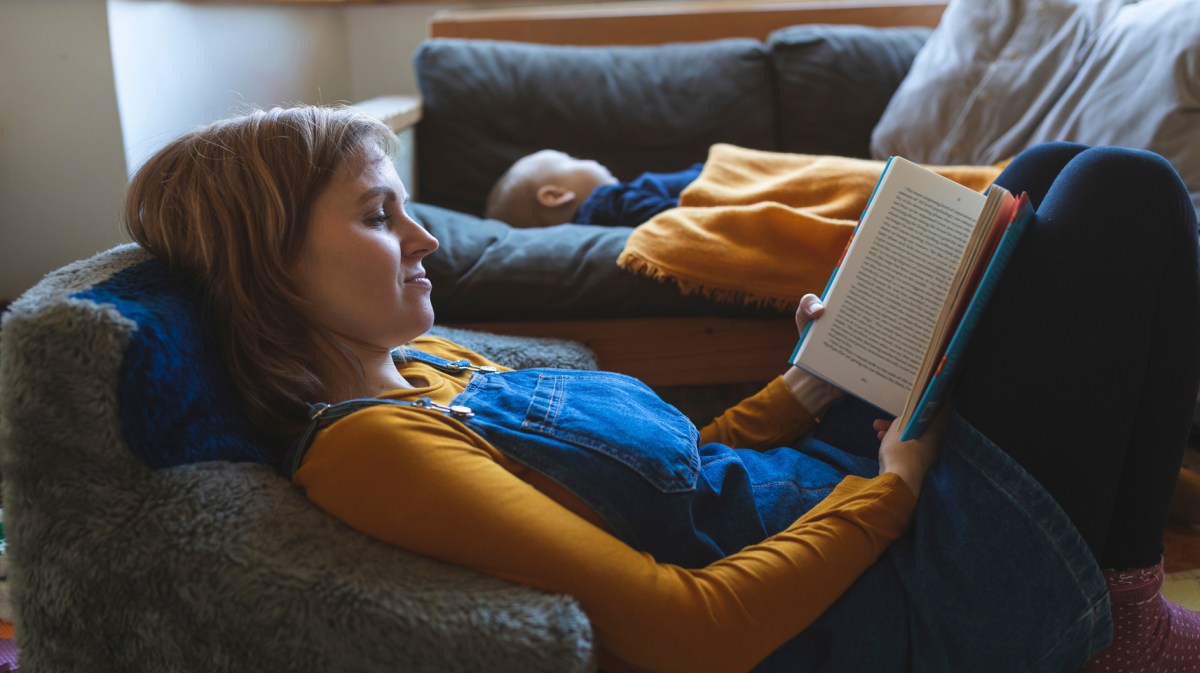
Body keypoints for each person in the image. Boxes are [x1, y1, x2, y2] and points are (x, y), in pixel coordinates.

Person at [123, 105, 1200, 673]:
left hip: (842, 482)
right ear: (270, 263)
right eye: (376, 216)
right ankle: (1118, 615)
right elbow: (698, 631)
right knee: (1128, 192)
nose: (419, 237)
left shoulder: (433, 366)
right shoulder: (366, 450)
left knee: (1039, 177)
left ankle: (1109, 600)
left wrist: (810, 384)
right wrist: (897, 486)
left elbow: (682, 470)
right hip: (911, 597)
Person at [484, 148, 701, 228]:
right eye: (573, 159)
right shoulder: (605, 205)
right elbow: (679, 216)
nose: (588, 160)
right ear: (555, 196)